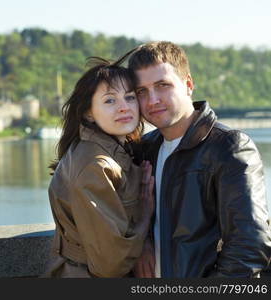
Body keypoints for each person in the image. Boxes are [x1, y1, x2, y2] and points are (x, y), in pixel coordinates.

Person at [123, 41, 271, 277]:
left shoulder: (229, 147)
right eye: (142, 91)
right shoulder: (143, 149)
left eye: (162, 85)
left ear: (188, 85)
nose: (152, 100)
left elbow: (249, 247)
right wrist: (142, 243)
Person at [42, 57, 154, 277]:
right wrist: (145, 216)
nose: (124, 107)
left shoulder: (112, 150)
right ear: (88, 112)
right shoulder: (95, 165)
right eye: (110, 100)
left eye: (130, 97)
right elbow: (110, 264)